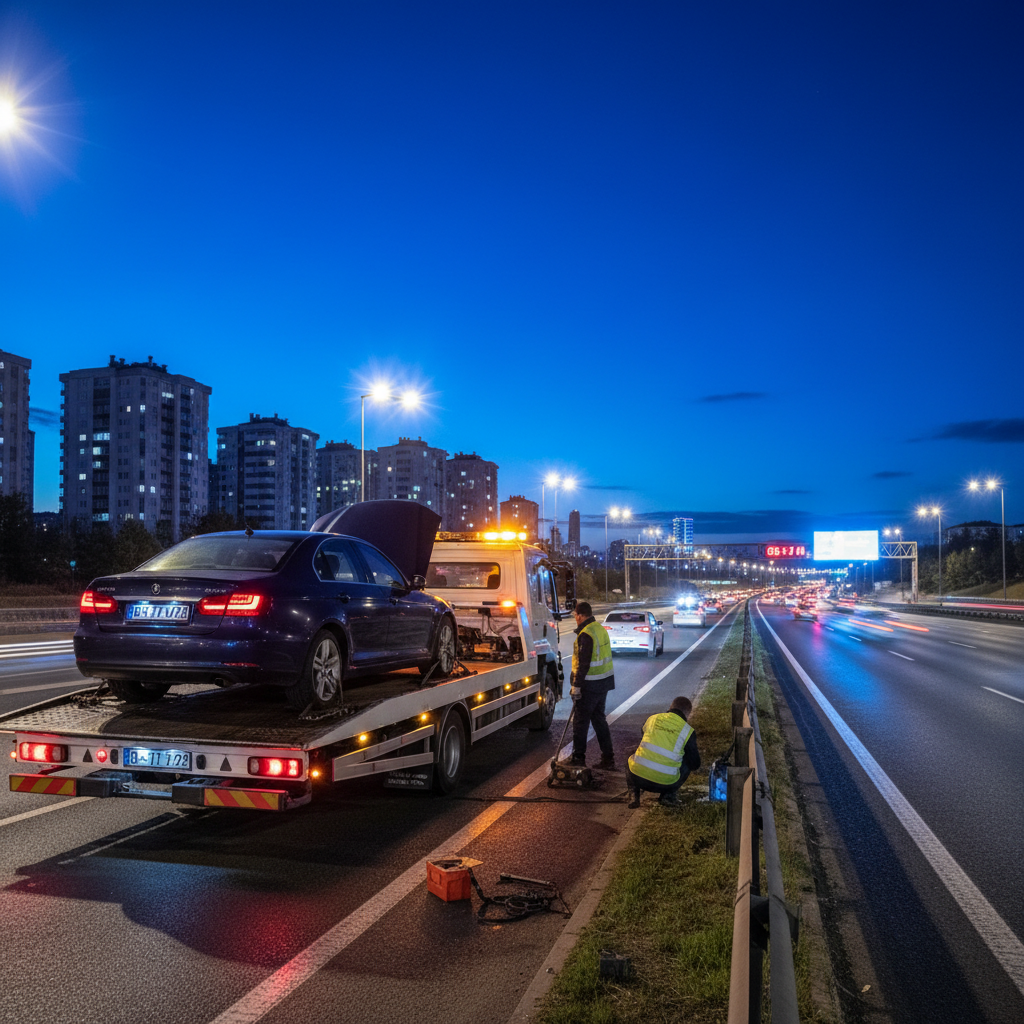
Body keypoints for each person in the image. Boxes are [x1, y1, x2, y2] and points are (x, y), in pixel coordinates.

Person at [626, 695, 700, 807]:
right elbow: (695, 764)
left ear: (670, 707)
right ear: (688, 713)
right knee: (688, 759)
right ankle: (668, 797)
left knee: (632, 752)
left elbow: (643, 736)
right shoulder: (687, 731)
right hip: (667, 784)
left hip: (638, 778)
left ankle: (633, 795)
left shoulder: (652, 718)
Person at [568, 600, 616, 769]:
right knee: (598, 720)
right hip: (603, 683)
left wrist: (577, 686)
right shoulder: (600, 629)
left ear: (580, 616)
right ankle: (608, 757)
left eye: (575, 615)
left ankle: (578, 758)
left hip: (590, 685)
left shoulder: (586, 634)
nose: (575, 618)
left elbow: (584, 664)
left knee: (580, 723)